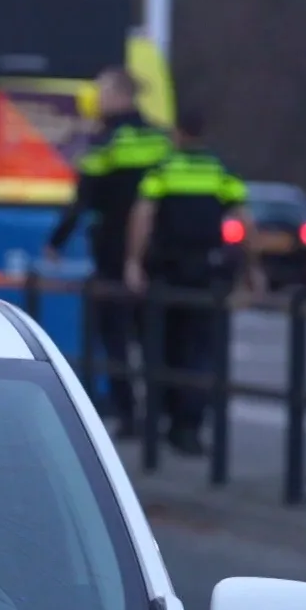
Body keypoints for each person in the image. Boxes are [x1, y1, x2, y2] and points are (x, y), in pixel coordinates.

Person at [122, 109, 263, 455]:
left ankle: (162, 422)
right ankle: (190, 428)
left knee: (163, 348)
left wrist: (133, 262)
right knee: (201, 352)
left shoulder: (163, 170)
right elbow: (245, 221)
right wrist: (253, 269)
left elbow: (143, 216)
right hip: (207, 272)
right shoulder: (220, 171)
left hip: (167, 272)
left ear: (178, 134)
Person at [42, 67, 174, 437]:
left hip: (112, 252)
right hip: (158, 254)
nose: (97, 98)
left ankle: (128, 415)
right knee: (153, 337)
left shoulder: (105, 143)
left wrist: (56, 242)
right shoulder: (161, 139)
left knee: (114, 336)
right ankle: (160, 417)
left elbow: (84, 198)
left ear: (120, 95)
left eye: (102, 92)